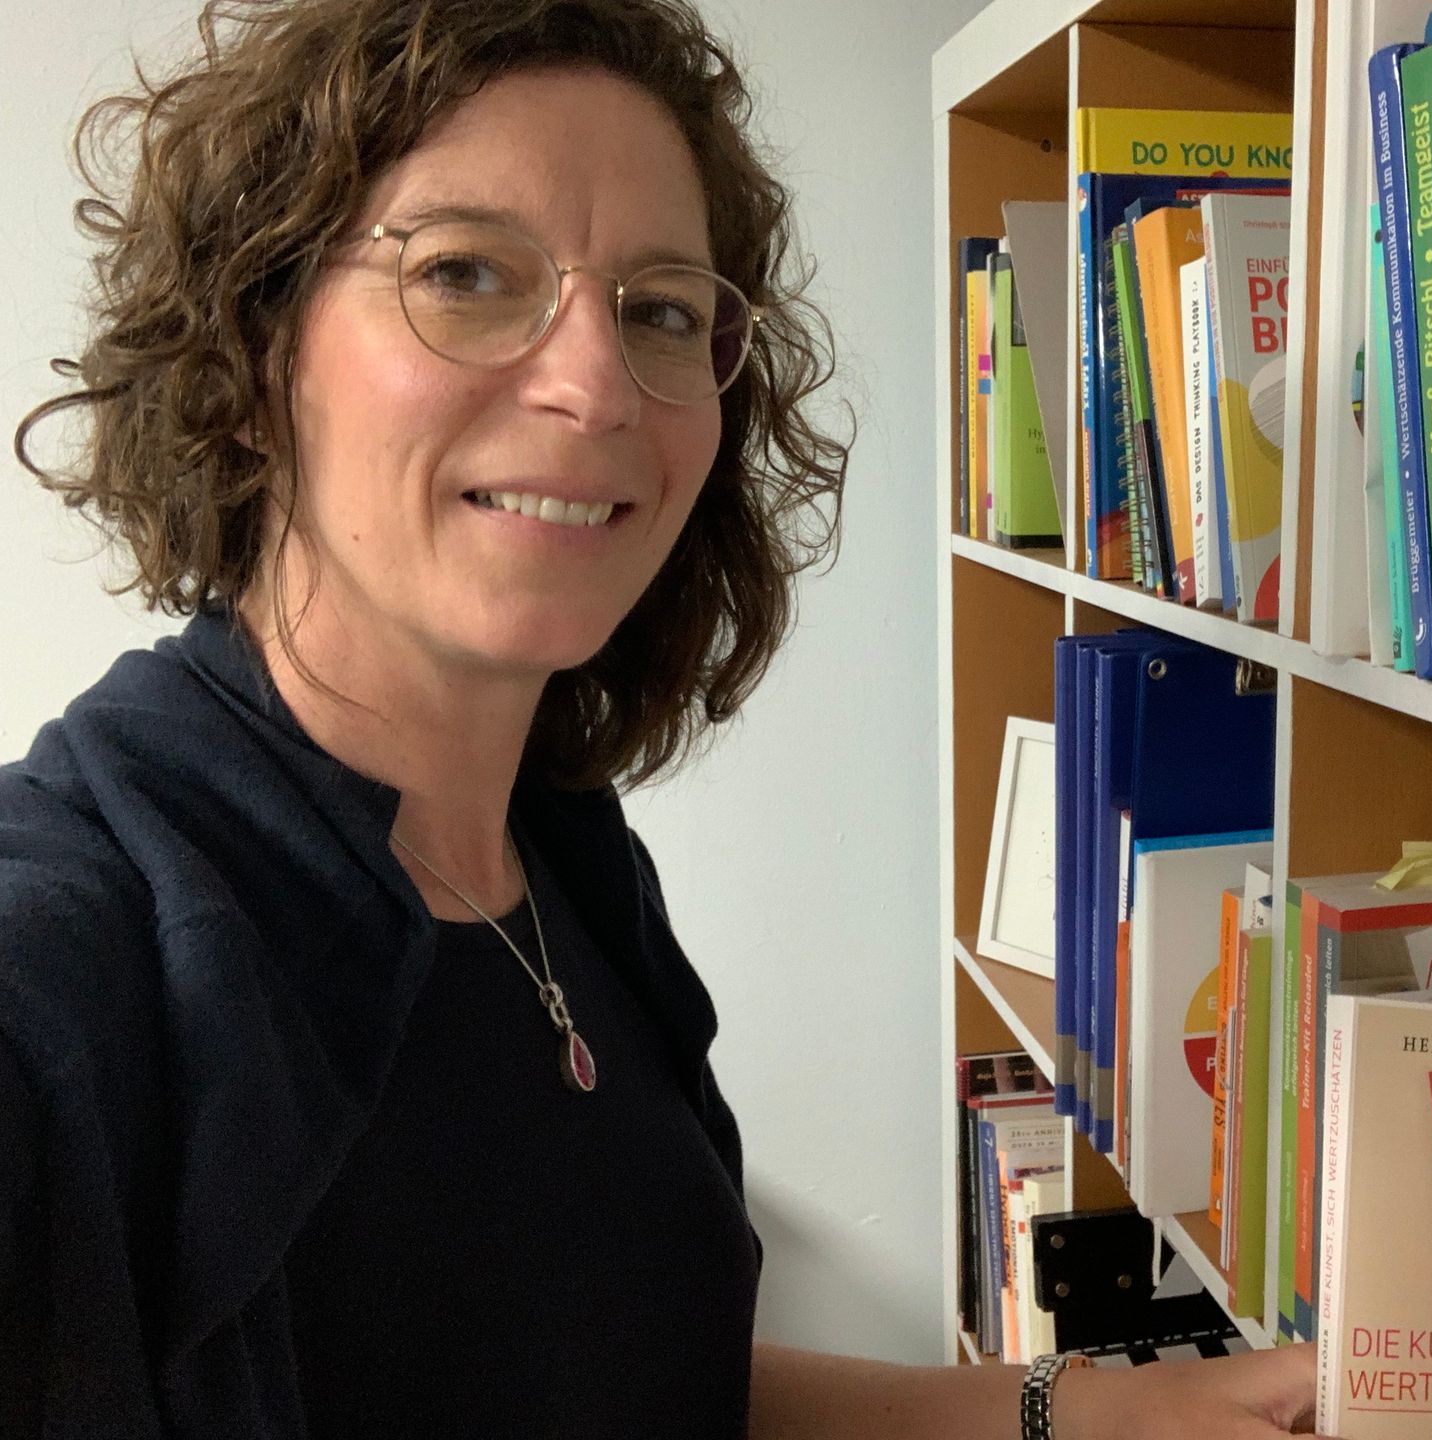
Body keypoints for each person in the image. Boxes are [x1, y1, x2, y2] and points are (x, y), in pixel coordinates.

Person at [0, 1, 1331, 1435]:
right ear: (251, 362)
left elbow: (630, 1378)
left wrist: (1064, 1413)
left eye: (660, 311)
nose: (595, 384)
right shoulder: (81, 958)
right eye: (465, 272)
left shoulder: (563, 851)